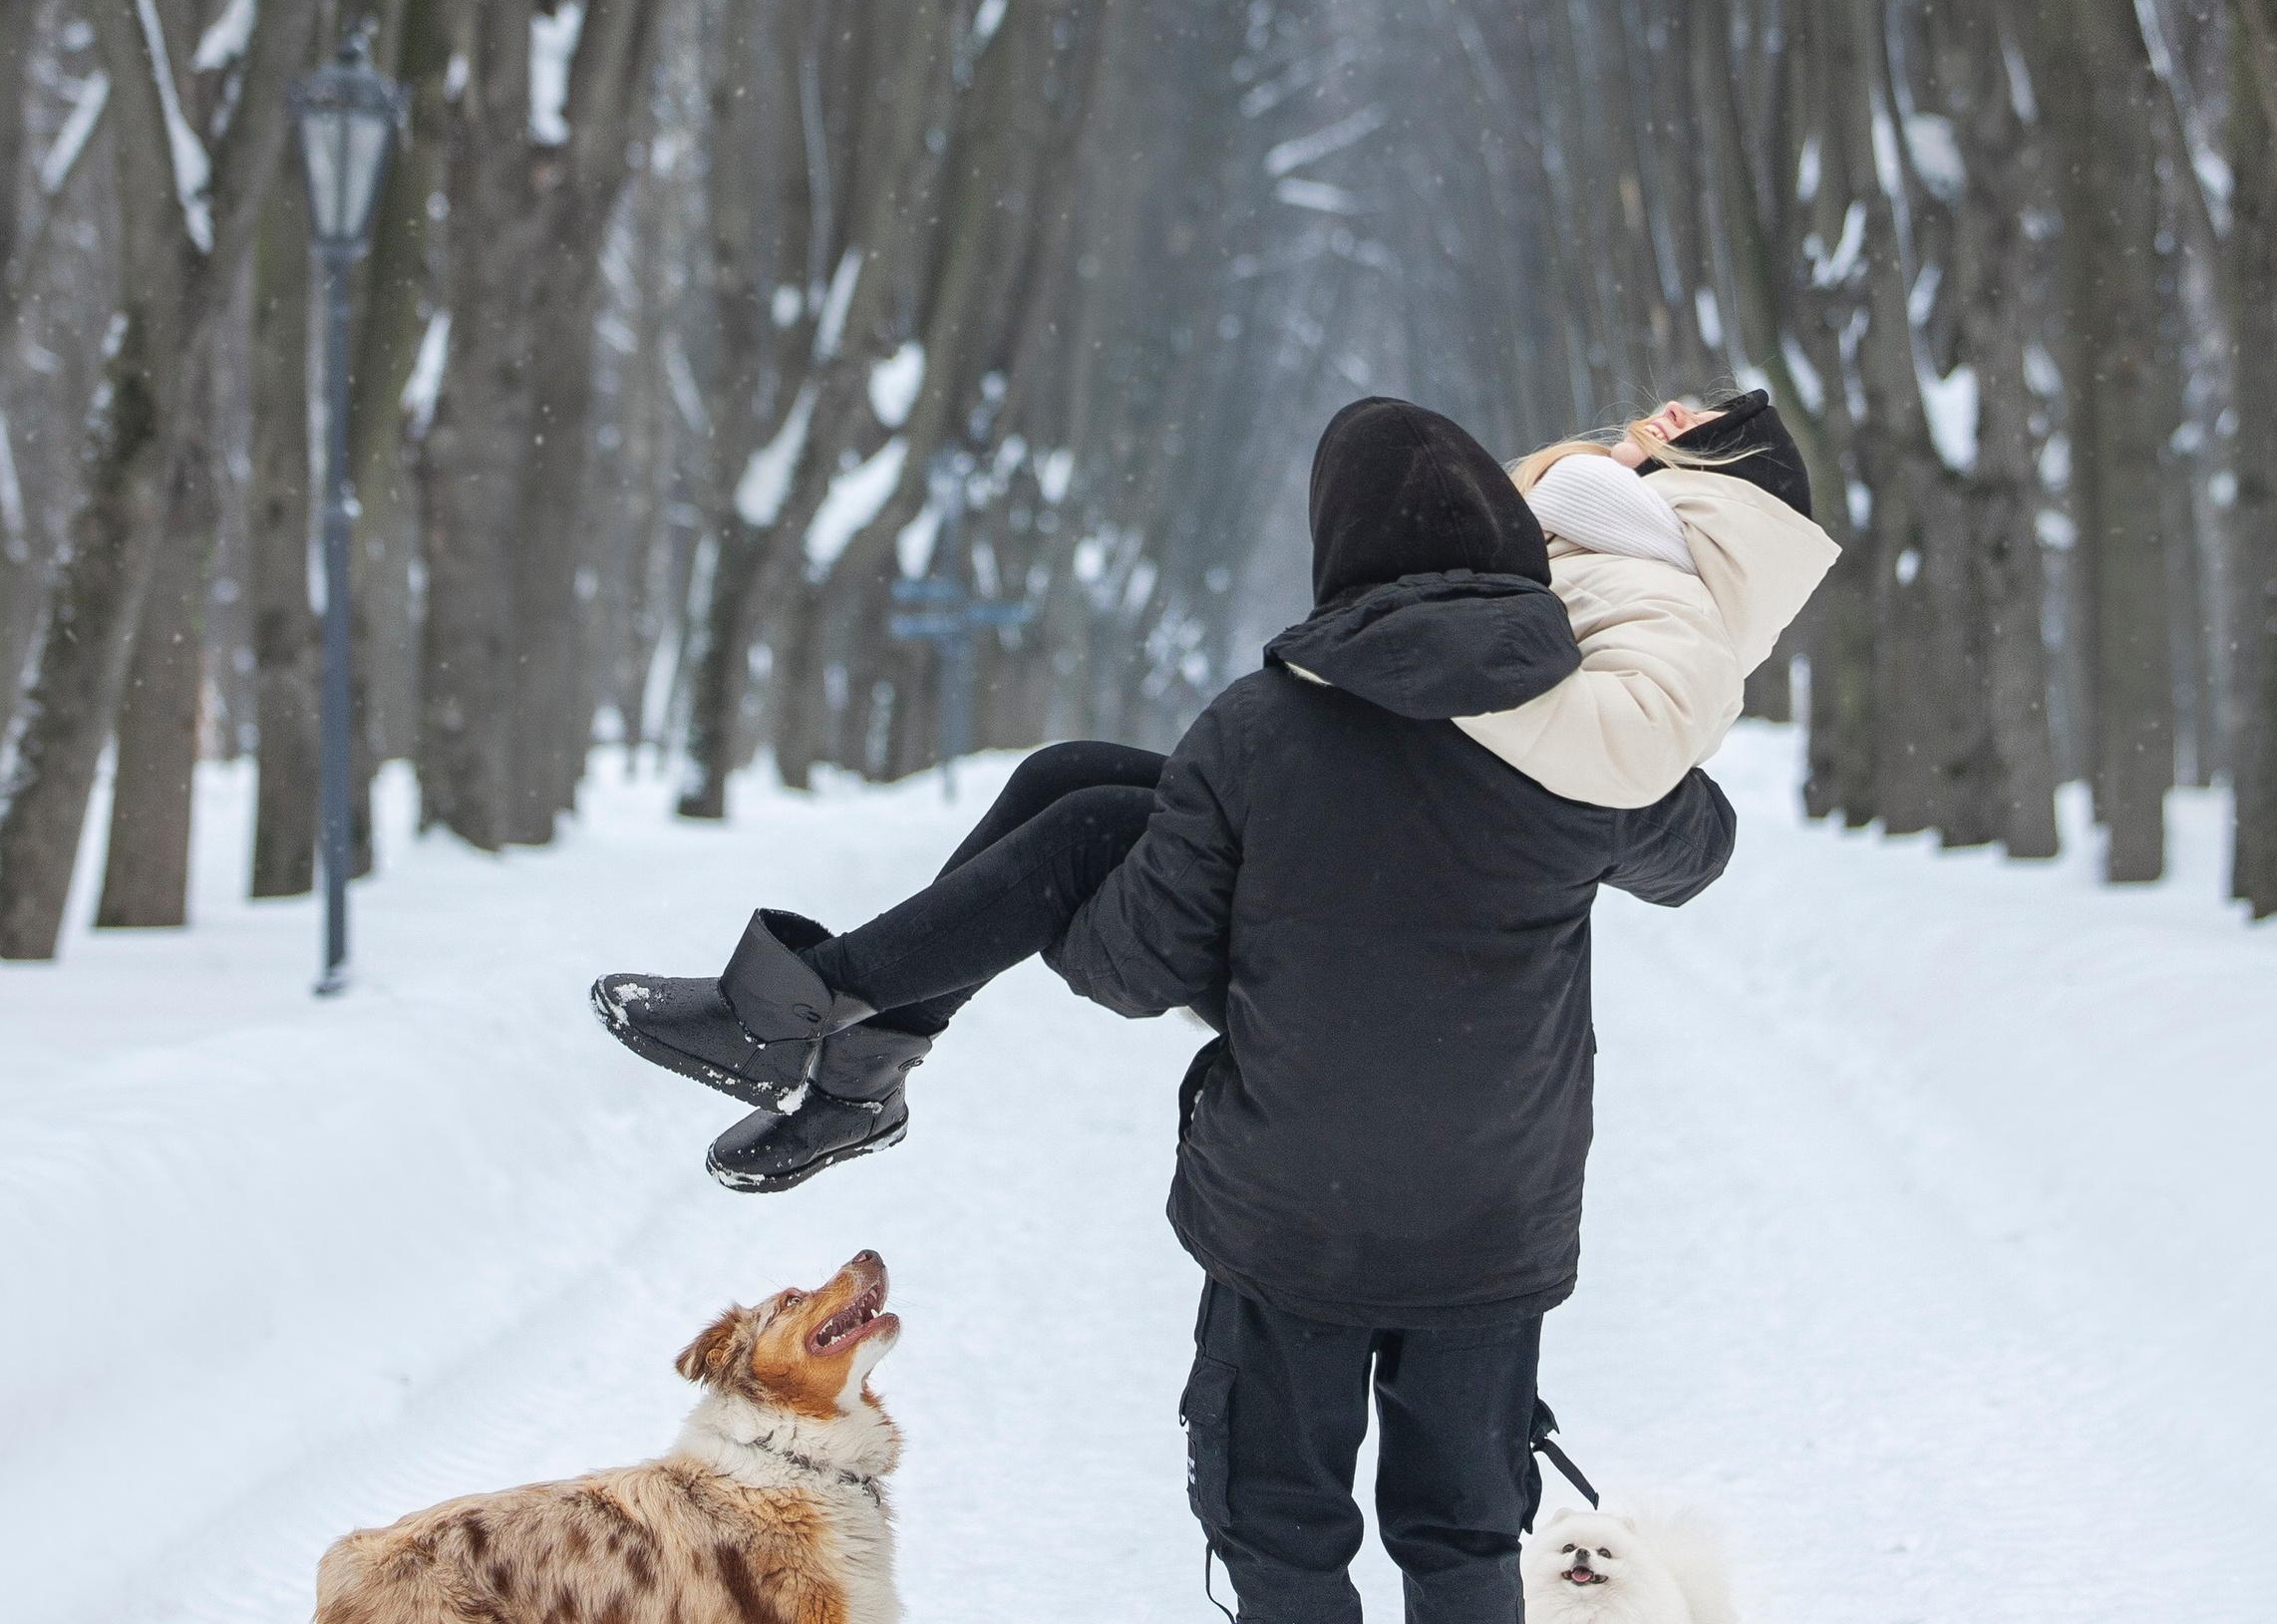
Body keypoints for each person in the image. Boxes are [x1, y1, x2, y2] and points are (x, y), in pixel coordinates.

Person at [597, 391, 1834, 1624]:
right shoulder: (1590, 748)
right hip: (1491, 1208)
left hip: (1299, 1205)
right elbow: (1693, 850)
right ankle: (842, 1044)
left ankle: (836, 1040)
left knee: (1281, 1524)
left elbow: (1133, 972)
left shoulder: (1261, 726)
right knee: (1462, 1528)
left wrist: (1168, 883)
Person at [593, 392, 1831, 1192]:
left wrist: (1438, 677)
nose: (1643, 410)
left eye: (1684, 416)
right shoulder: (1603, 552)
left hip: (1387, 898)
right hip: (1371, 837)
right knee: (1063, 776)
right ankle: (856, 1071)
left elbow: (1631, 764)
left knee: (1082, 826)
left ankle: (797, 1023)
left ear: (1713, 476)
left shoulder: (1659, 588)